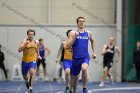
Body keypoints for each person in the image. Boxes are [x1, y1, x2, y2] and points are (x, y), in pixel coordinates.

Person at [66, 17, 96, 93]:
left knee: (84, 68)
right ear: (77, 23)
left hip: (85, 57)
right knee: (74, 78)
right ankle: (73, 90)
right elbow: (68, 46)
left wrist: (94, 52)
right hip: (75, 58)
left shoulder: (88, 33)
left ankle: (84, 88)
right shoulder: (72, 33)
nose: (81, 22)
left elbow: (93, 41)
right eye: (80, 21)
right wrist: (75, 37)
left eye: (83, 21)